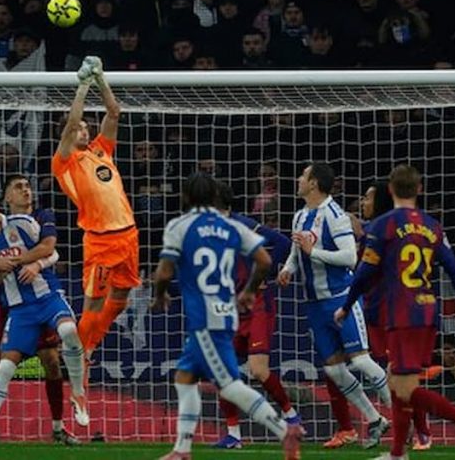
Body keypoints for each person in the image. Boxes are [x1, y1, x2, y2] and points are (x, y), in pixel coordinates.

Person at [337, 164, 455, 460]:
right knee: (397, 383)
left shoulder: (384, 225)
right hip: (428, 314)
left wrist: (347, 304)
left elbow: (365, 272)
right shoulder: (432, 226)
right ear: (420, 190)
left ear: (390, 190)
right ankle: (397, 454)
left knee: (405, 389)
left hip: (402, 315)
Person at [152, 173, 302, 460]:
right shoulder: (231, 226)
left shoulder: (180, 226)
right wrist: (248, 291)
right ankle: (182, 450)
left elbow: (165, 270)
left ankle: (284, 429)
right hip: (226, 313)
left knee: (229, 385)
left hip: (205, 318)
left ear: (185, 198)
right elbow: (266, 260)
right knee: (185, 377)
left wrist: (159, 294)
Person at [278, 163, 390, 449]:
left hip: (341, 298)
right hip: (315, 304)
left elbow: (350, 258)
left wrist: (312, 252)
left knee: (361, 360)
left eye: (303, 176)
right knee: (334, 370)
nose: (298, 180)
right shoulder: (300, 215)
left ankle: (403, 416)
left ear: (314, 183)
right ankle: (375, 418)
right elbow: (296, 251)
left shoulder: (335, 216)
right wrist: (288, 269)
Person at [52, 55, 139, 423]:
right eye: (80, 129)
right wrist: (82, 84)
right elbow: (71, 122)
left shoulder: (102, 150)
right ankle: (79, 380)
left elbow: (115, 112)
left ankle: (88, 347)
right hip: (100, 242)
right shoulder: (65, 162)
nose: (84, 130)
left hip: (129, 236)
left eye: (88, 128)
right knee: (91, 309)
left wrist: (101, 77)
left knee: (120, 299)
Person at [0, 192, 86, 447]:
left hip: (46, 297)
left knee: (58, 350)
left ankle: (69, 410)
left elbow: (52, 253)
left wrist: (36, 265)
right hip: (16, 307)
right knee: (1, 365)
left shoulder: (21, 223)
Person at [211, 183, 300, 449]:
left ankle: (291, 418)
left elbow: (282, 242)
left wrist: (269, 275)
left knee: (258, 370)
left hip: (257, 303)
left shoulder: (243, 224)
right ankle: (234, 435)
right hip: (231, 308)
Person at [356, 181, 434, 453]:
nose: (362, 202)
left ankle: (422, 432)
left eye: (367, 198)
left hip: (395, 311)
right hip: (375, 309)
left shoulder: (385, 230)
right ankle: (410, 433)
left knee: (400, 377)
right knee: (395, 377)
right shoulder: (375, 230)